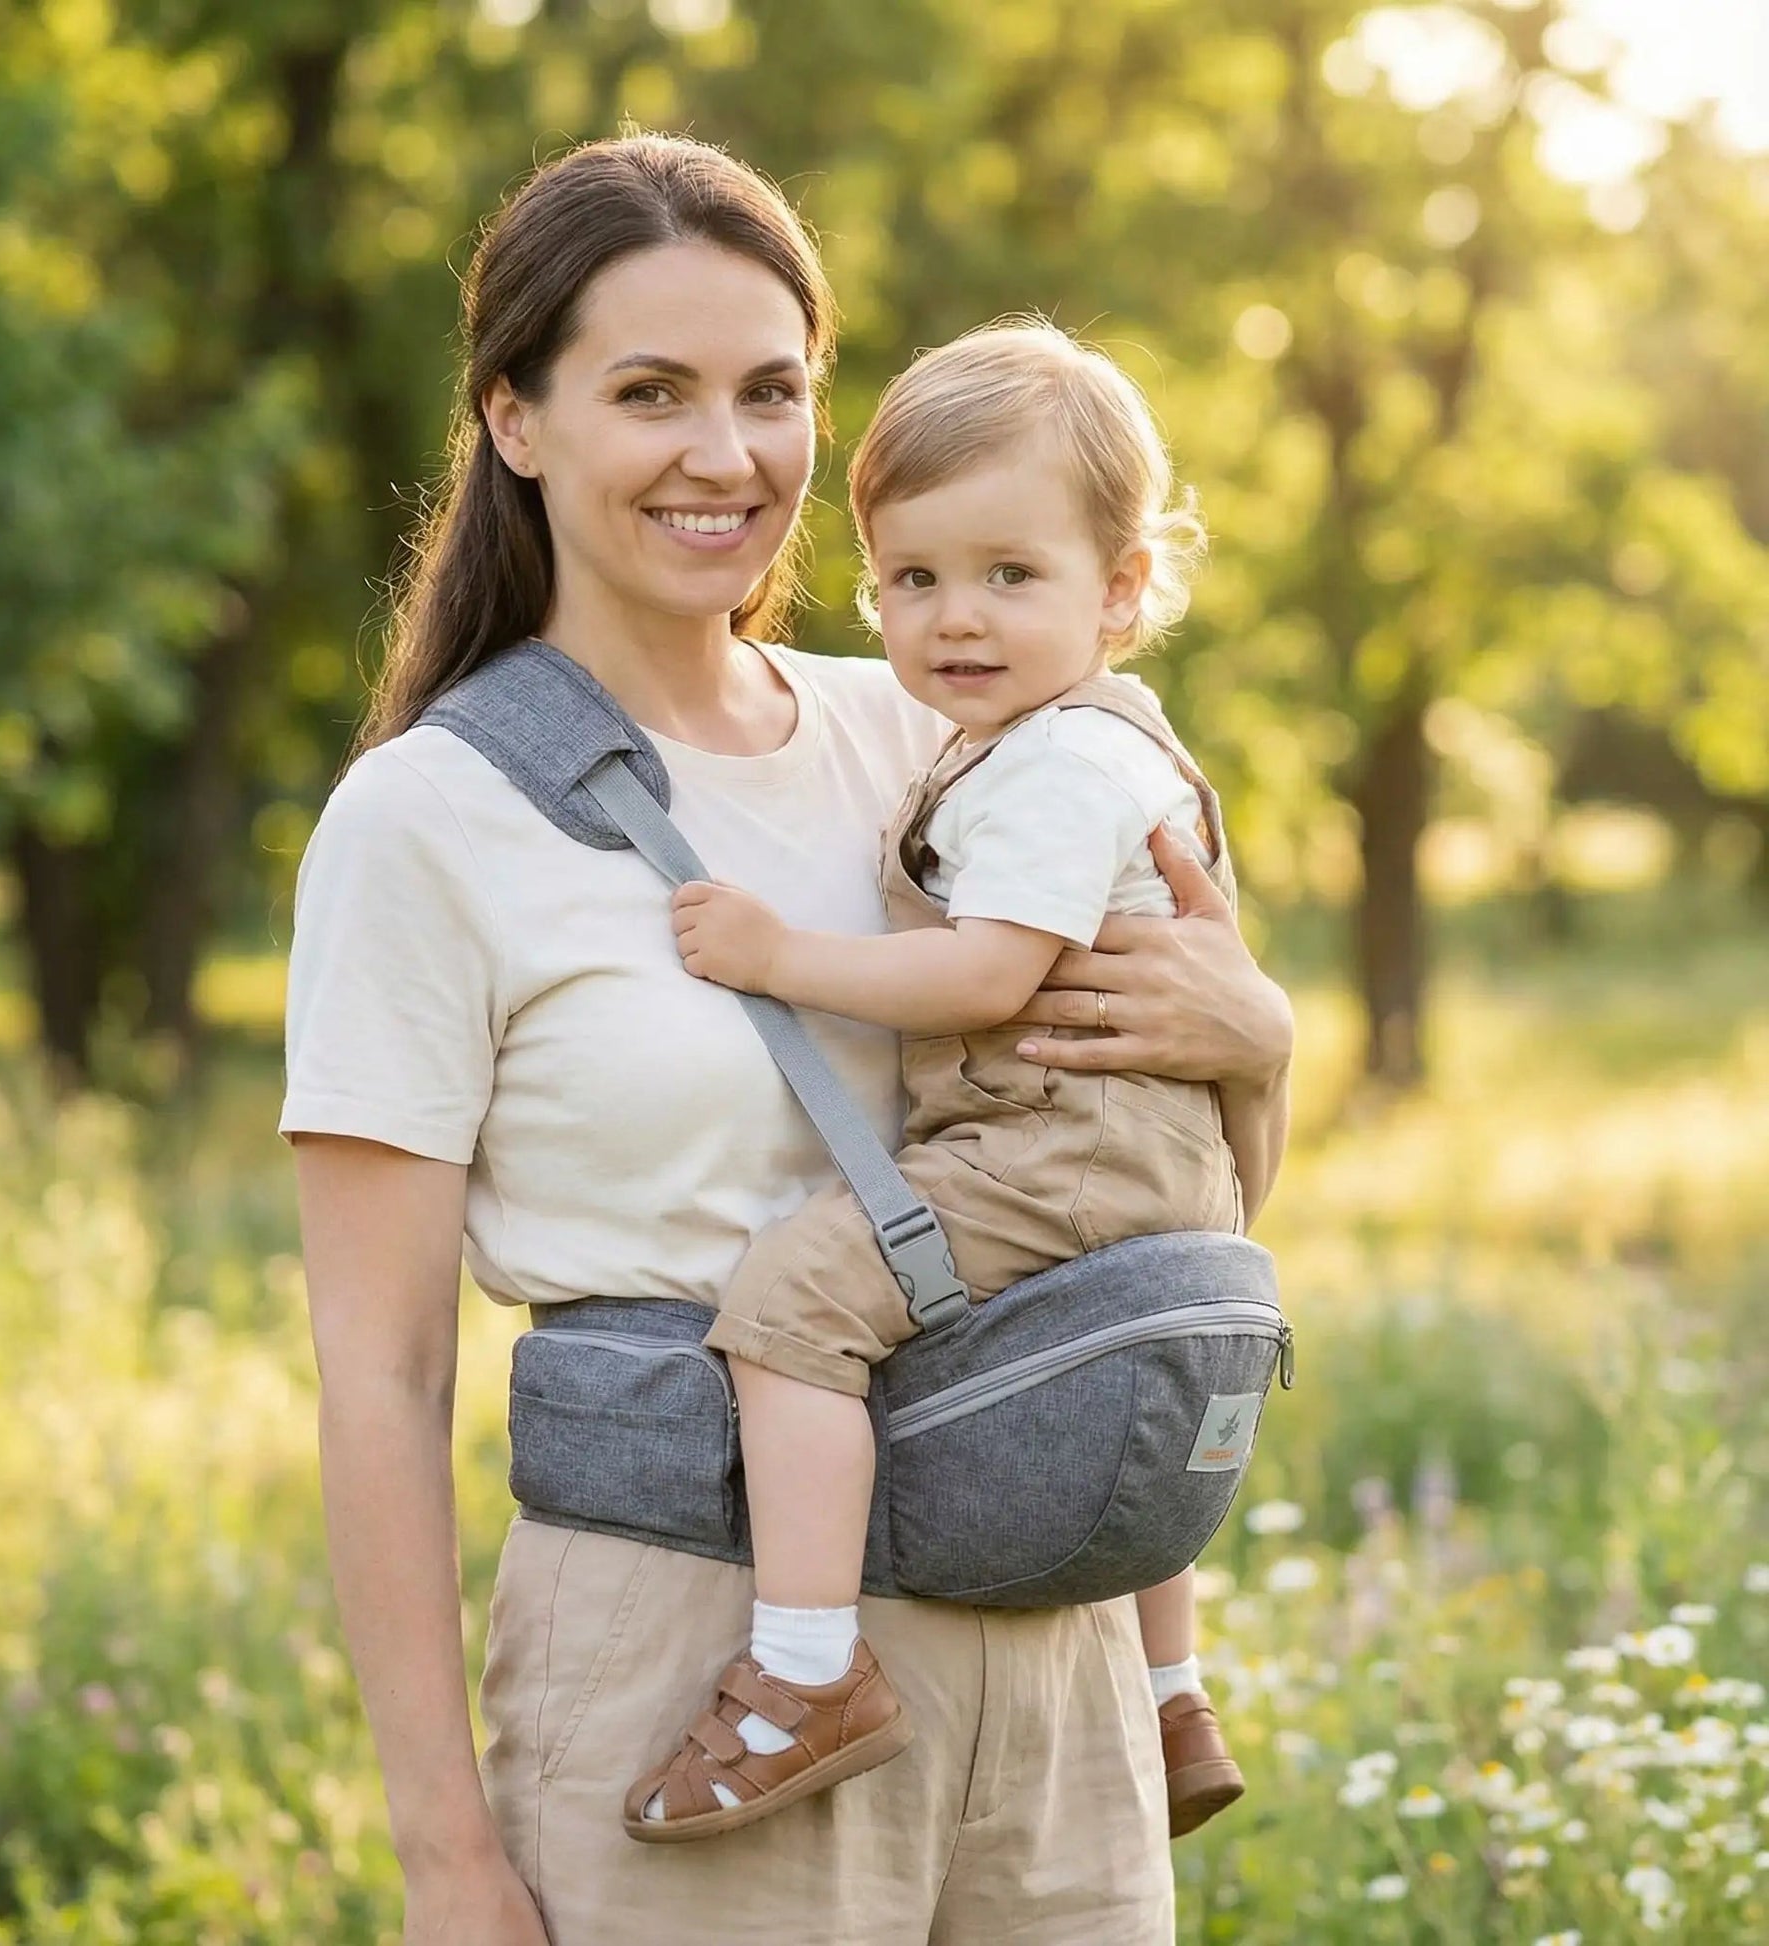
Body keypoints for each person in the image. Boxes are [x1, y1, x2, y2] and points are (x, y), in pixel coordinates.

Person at [280, 133, 1292, 1946]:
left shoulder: (937, 727)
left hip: (1043, 1637)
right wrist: (445, 1850)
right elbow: (379, 1376)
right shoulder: (427, 818)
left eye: (771, 391)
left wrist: (1263, 1027)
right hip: (695, 1645)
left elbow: (1137, 1153)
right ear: (514, 416)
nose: (724, 454)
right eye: (647, 391)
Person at [629, 318, 1249, 1848]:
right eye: (912, 578)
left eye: (1008, 575)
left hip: (1054, 1142)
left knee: (791, 1308)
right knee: (1119, 1366)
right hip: (1147, 1161)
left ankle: (802, 1670)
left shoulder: (1048, 765)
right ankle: (1169, 1692)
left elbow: (986, 976)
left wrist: (779, 953)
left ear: (1119, 588)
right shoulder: (1088, 738)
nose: (951, 620)